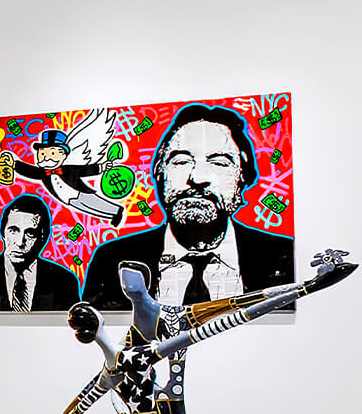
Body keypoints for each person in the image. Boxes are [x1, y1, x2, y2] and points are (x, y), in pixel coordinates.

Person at [81, 103, 293, 309]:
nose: (198, 178)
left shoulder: (280, 256)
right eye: (181, 161)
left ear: (242, 176)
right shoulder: (113, 260)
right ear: (159, 172)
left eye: (219, 163)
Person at [0, 194, 81, 311]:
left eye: (30, 233)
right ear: (3, 233)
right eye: (13, 231)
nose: (20, 242)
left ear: (43, 238)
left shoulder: (64, 281)